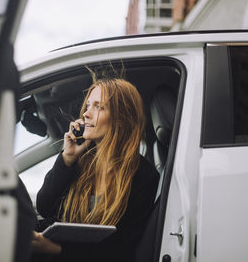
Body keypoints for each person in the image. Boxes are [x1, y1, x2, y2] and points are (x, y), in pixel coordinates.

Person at [31, 77, 159, 262]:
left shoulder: (143, 176)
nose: (86, 114)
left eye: (99, 107)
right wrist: (68, 158)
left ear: (121, 118)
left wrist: (55, 249)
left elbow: (119, 249)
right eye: (88, 105)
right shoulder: (81, 161)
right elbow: (44, 206)